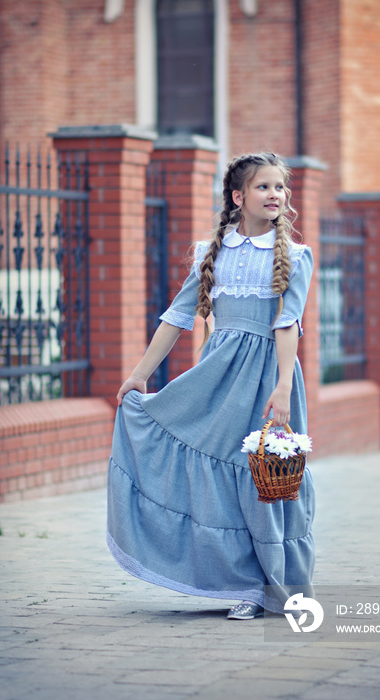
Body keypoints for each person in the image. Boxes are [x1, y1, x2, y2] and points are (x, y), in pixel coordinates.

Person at [107, 152, 315, 620]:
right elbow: (178, 316)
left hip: (267, 378)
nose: (275, 195)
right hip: (217, 376)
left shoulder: (296, 257)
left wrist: (283, 387)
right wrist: (140, 373)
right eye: (264, 187)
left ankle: (275, 586)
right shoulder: (212, 253)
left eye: (280, 187)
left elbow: (288, 324)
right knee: (222, 478)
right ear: (239, 197)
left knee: (264, 478)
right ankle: (238, 585)